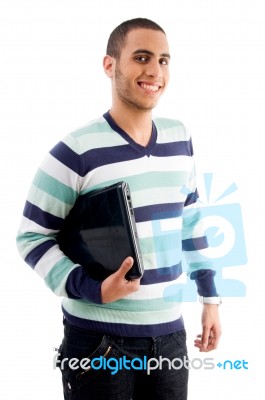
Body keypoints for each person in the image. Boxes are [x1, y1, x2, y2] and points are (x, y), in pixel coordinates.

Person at [16, 17, 221, 400]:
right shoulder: (75, 150)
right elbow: (31, 237)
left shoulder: (181, 137)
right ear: (110, 66)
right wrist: (92, 289)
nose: (155, 70)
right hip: (98, 341)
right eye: (141, 57)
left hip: (171, 336)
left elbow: (190, 220)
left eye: (163, 60)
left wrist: (210, 299)